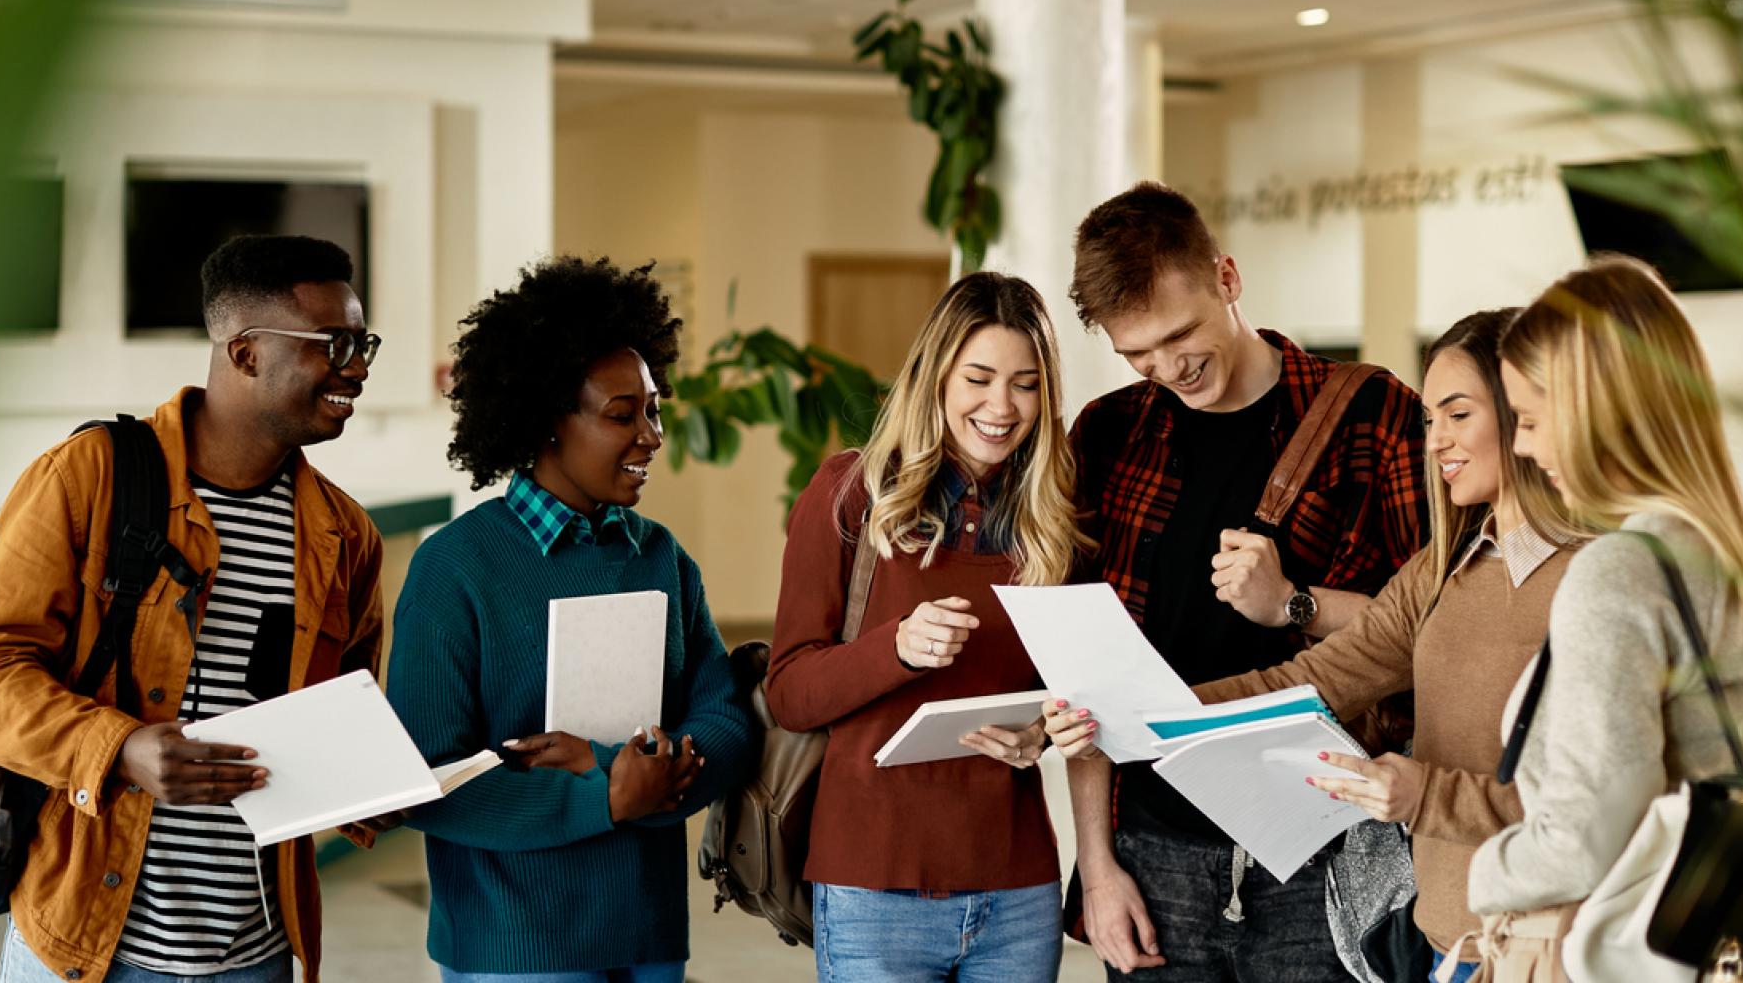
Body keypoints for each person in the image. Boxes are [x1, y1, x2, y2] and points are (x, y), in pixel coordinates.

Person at [0, 234, 390, 983]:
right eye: (334, 343)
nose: (359, 366)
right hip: (87, 948)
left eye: (362, 341)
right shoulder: (88, 477)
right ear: (244, 352)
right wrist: (120, 750)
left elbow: (343, 713)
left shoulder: (344, 536)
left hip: (262, 953)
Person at [1045, 181, 1428, 982]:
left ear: (1228, 277)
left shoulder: (1376, 417)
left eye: (1180, 333)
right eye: (1137, 353)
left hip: (1324, 843)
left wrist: (1294, 604)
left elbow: (1434, 633)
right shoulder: (1110, 433)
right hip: (1153, 848)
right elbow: (1086, 674)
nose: (1167, 367)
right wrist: (1098, 865)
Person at [1154, 308, 1588, 983]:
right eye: (1429, 420)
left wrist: (1423, 796)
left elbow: (1598, 801)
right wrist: (1133, 715)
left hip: (1561, 952)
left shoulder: (1603, 578)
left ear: (1526, 411)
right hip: (1446, 947)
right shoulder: (1440, 571)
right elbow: (1306, 684)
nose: (1436, 439)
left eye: (1458, 414)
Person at [386, 256, 757, 983]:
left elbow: (728, 724)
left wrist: (619, 767)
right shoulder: (457, 567)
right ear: (547, 421)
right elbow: (424, 782)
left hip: (647, 937)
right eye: (623, 415)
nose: (652, 435)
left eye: (655, 408)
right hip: (513, 948)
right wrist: (608, 796)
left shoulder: (661, 559)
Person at [1463, 256, 1743, 969]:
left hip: (1599, 942)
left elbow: (1586, 838)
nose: (1523, 446)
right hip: (1711, 934)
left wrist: (1485, 873)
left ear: (1596, 413)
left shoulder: (1619, 572)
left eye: (1528, 419)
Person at [765, 271, 1092, 983]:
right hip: (872, 886)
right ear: (935, 375)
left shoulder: (1054, 519)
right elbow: (789, 691)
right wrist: (897, 648)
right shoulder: (851, 495)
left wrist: (1039, 731)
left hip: (1017, 887)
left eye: (1025, 383)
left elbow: (1061, 689)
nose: (1001, 406)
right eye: (978, 377)